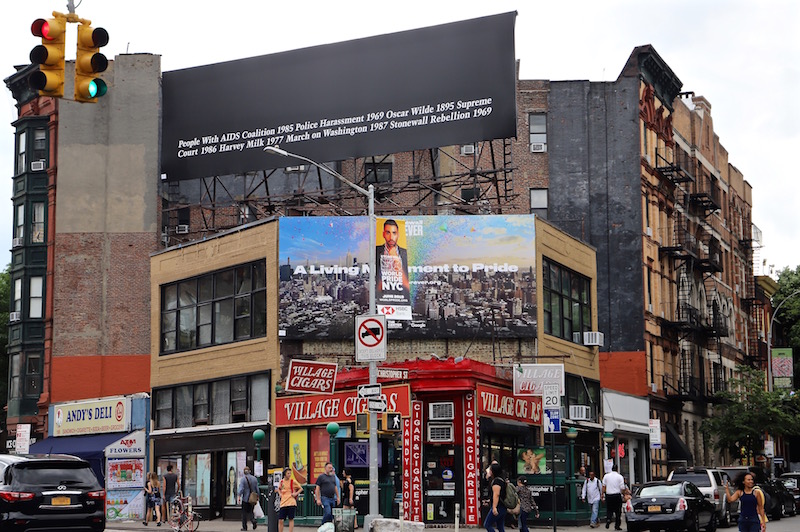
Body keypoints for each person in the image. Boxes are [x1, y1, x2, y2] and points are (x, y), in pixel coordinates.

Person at [278, 467, 302, 532]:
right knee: (281, 519)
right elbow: (279, 489)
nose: (289, 474)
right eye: (288, 473)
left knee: (291, 518)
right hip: (283, 502)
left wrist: (295, 493)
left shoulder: (293, 481)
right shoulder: (281, 482)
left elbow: (300, 488)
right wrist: (280, 493)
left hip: (291, 501)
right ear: (284, 474)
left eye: (290, 473)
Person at [601, 464, 625, 531]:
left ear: (611, 468)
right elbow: (622, 488)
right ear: (617, 469)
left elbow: (603, 486)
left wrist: (602, 494)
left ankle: (608, 519)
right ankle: (617, 526)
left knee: (609, 509)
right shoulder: (620, 477)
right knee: (618, 512)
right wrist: (623, 494)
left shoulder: (606, 476)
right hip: (617, 495)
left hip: (609, 495)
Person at [484, 462, 507, 532]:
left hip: (498, 507)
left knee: (487, 524)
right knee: (500, 527)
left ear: (493, 471)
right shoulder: (501, 480)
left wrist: (494, 507)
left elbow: (496, 494)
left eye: (490, 470)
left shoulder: (496, 481)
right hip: (502, 506)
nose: (489, 471)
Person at [238, 466, 259, 531]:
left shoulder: (243, 479)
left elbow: (241, 489)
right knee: (251, 511)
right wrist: (258, 496)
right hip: (252, 498)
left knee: (244, 513)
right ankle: (253, 520)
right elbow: (257, 489)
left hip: (245, 498)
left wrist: (239, 496)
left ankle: (244, 527)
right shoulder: (254, 479)